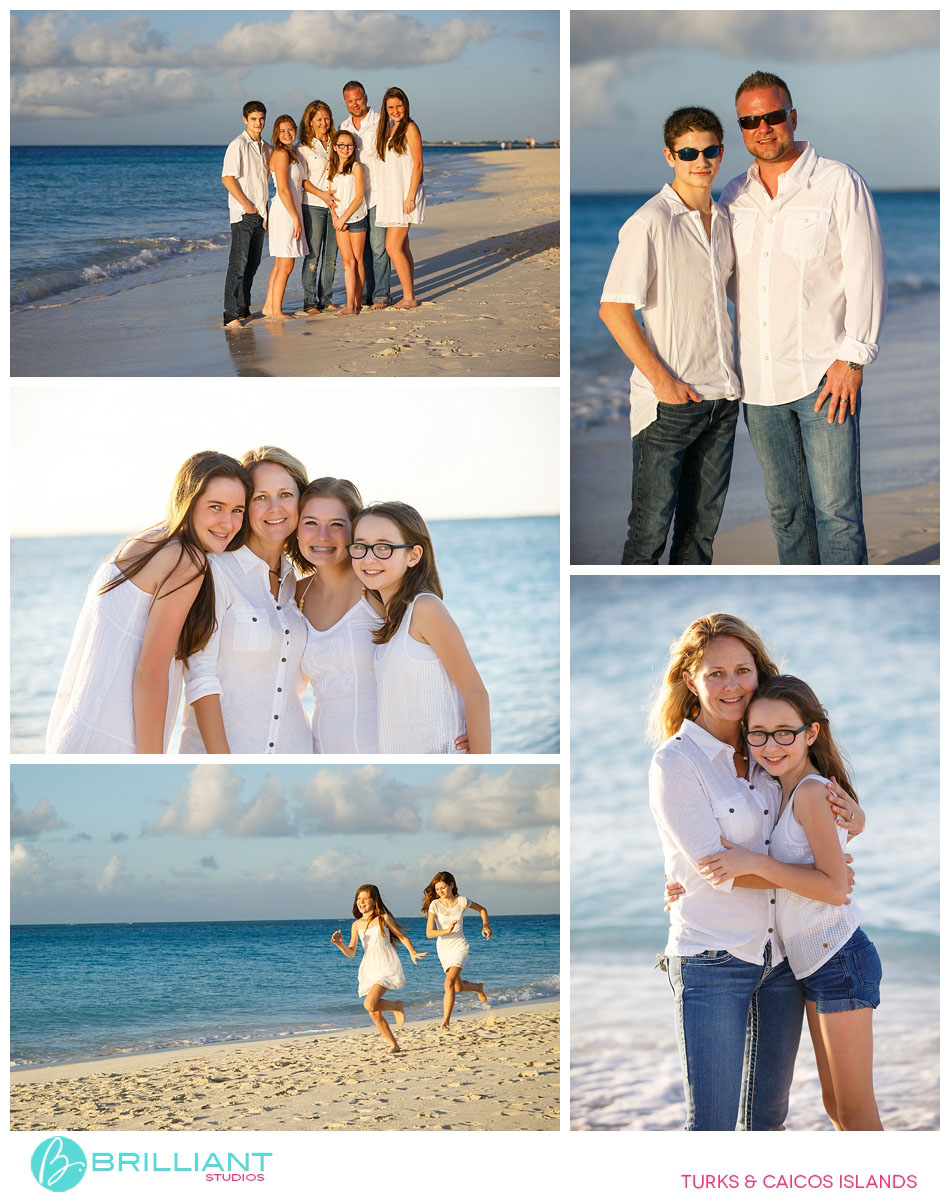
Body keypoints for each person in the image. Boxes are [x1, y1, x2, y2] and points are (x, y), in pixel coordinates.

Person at [648, 613, 865, 1130]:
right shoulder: (675, 762)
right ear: (690, 681)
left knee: (767, 1124)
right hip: (712, 958)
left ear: (758, 673)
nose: (731, 685)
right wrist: (820, 880)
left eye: (742, 670)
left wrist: (856, 820)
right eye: (715, 673)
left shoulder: (768, 744)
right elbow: (717, 869)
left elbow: (820, 816)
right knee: (714, 1128)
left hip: (786, 961)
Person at [694, 675, 883, 1129]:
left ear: (811, 733)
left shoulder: (812, 792)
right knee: (837, 1109)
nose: (770, 745)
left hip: (839, 960)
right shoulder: (776, 788)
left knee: (856, 1115)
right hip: (814, 965)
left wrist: (749, 862)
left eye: (785, 733)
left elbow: (836, 889)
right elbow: (805, 867)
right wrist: (688, 881)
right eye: (757, 734)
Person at [719, 71, 887, 565]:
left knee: (837, 511)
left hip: (824, 379)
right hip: (759, 386)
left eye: (773, 116)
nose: (763, 128)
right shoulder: (732, 195)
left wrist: (853, 360)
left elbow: (867, 274)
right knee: (786, 513)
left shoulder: (838, 182)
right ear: (741, 128)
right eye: (751, 121)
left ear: (792, 117)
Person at [599, 107, 741, 565]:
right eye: (688, 152)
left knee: (700, 536)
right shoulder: (650, 222)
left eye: (710, 150)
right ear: (670, 155)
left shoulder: (725, 221)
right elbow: (613, 309)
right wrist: (662, 383)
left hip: (722, 399)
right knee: (647, 539)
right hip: (670, 406)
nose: (701, 161)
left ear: (721, 152)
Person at [47, 453, 249, 753]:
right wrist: (150, 762)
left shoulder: (144, 544)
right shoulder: (187, 560)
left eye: (237, 510)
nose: (227, 522)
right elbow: (150, 673)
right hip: (115, 742)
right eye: (215, 507)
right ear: (189, 502)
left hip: (76, 735)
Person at [179, 447, 311, 754]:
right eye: (260, 497)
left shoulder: (298, 584)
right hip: (219, 763)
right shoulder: (215, 571)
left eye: (286, 494)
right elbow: (200, 676)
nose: (275, 508)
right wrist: (224, 766)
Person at [349, 502, 490, 753]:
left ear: (413, 555)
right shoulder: (392, 617)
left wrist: (483, 769)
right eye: (360, 546)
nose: (369, 558)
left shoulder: (424, 608)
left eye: (384, 547)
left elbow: (476, 694)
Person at [293, 477, 384, 753]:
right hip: (323, 755)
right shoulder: (294, 595)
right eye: (310, 523)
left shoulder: (379, 589)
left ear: (355, 532)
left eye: (336, 525)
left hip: (386, 752)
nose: (323, 536)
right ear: (296, 529)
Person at [331, 884, 428, 1053]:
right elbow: (351, 953)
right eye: (358, 899)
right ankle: (394, 1044)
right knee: (374, 1011)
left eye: (365, 898)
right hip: (369, 968)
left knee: (369, 1004)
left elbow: (402, 936)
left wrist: (412, 952)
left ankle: (397, 1005)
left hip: (386, 965)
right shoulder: (356, 925)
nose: (361, 902)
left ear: (374, 901)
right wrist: (340, 945)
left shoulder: (383, 918)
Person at [339, 81, 392, 309]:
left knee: (379, 247)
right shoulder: (344, 126)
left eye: (358, 99)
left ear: (366, 97)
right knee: (362, 252)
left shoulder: (381, 121)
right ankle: (363, 294)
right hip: (354, 200)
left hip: (379, 193)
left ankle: (381, 295)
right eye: (350, 101)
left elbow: (395, 152)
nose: (355, 104)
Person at [374, 87, 425, 309]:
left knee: (392, 246)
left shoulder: (410, 128)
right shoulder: (390, 130)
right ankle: (409, 293)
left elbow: (418, 164)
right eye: (390, 107)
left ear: (406, 105)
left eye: (399, 106)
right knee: (402, 247)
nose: (395, 111)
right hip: (392, 196)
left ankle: (409, 297)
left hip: (405, 196)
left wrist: (410, 197)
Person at [222, 101, 270, 328]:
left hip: (261, 215)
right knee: (238, 266)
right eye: (253, 119)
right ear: (245, 119)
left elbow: (264, 183)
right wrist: (248, 206)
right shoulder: (238, 145)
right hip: (244, 214)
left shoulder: (265, 147)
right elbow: (227, 179)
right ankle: (230, 315)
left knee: (252, 265)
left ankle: (244, 310)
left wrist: (265, 213)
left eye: (261, 118)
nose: (258, 123)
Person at [422, 871, 491, 1029]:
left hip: (459, 946)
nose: (440, 892)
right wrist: (446, 930)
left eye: (443, 888)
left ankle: (445, 1021)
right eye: (437, 889)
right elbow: (429, 933)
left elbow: (482, 910)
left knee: (448, 983)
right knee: (457, 987)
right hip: (444, 948)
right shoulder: (435, 905)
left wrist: (485, 925)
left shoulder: (462, 901)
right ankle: (477, 987)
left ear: (451, 885)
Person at [261, 115, 308, 320]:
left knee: (281, 263)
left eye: (290, 129)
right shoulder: (280, 154)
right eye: (282, 131)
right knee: (286, 264)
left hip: (289, 209)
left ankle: (269, 307)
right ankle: (277, 311)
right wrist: (296, 218)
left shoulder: (291, 153)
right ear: (276, 134)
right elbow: (282, 189)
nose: (287, 134)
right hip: (285, 212)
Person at [297, 100, 340, 314]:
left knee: (331, 257)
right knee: (313, 255)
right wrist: (322, 194)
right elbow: (302, 180)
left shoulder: (337, 141)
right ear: (310, 122)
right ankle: (309, 302)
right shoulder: (303, 148)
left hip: (336, 206)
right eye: (319, 119)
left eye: (326, 118)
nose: (323, 123)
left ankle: (326, 299)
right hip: (313, 205)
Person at [328, 130, 368, 315]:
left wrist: (344, 217)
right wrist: (335, 217)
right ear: (335, 147)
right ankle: (349, 303)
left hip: (356, 218)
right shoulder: (332, 169)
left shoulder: (357, 167)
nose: (346, 149)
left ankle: (355, 304)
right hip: (339, 221)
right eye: (342, 145)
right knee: (347, 262)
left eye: (349, 145)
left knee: (358, 260)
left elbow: (359, 196)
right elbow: (331, 197)